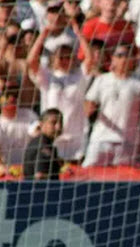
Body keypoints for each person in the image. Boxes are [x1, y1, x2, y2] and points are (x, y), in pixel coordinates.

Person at [28, 19, 94, 162]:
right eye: (60, 56)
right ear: (52, 58)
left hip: (75, 139)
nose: (64, 60)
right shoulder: (47, 76)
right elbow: (31, 60)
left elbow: (90, 59)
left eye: (68, 56)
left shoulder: (79, 76)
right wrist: (43, 34)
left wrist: (79, 33)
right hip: (52, 138)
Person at [82, 44, 140, 167]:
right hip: (101, 137)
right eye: (119, 55)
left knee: (122, 180)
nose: (123, 59)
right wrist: (90, 108)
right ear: (112, 58)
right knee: (89, 172)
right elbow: (88, 105)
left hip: (127, 141)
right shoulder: (102, 80)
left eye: (127, 55)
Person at [23, 108, 63, 180]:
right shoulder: (44, 146)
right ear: (41, 124)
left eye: (60, 123)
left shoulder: (38, 141)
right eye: (53, 123)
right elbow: (40, 176)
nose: (58, 127)